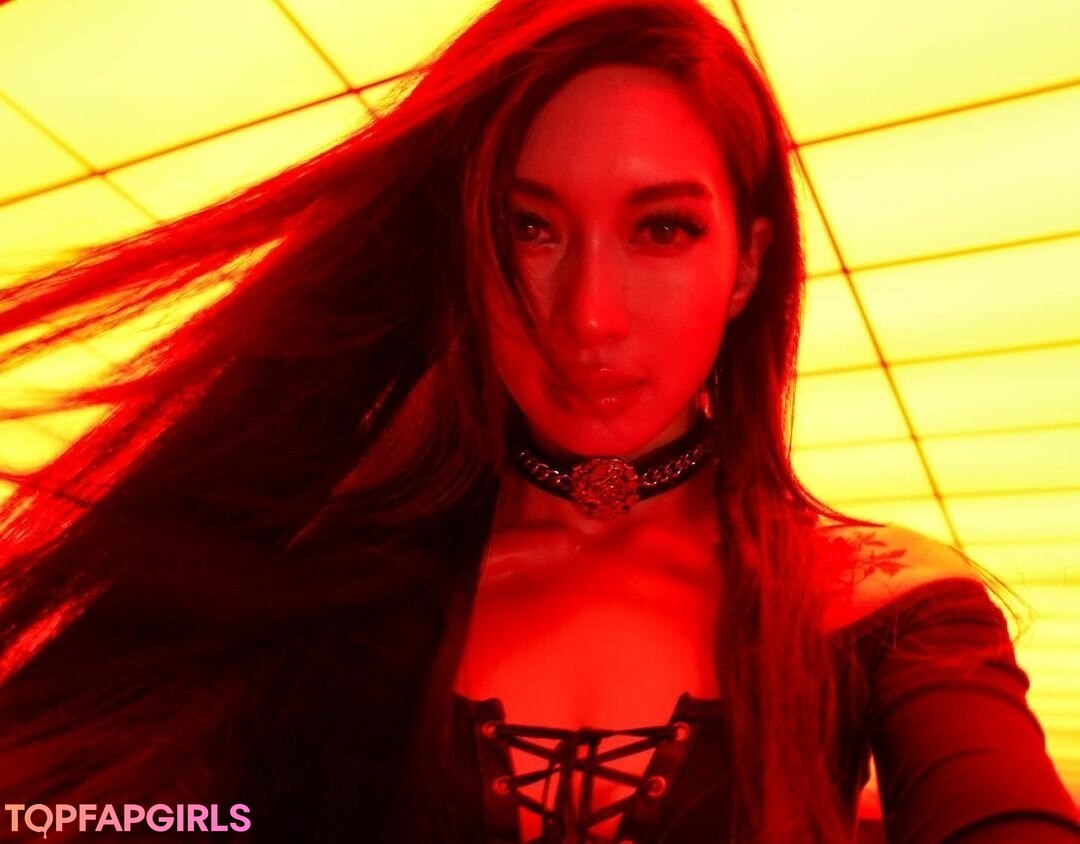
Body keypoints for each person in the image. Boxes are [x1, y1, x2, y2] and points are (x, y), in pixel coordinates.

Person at [0, 1, 1076, 842]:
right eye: (530, 226)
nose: (589, 316)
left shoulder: (881, 601)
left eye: (661, 229)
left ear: (748, 264)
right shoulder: (329, 587)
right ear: (465, 252)